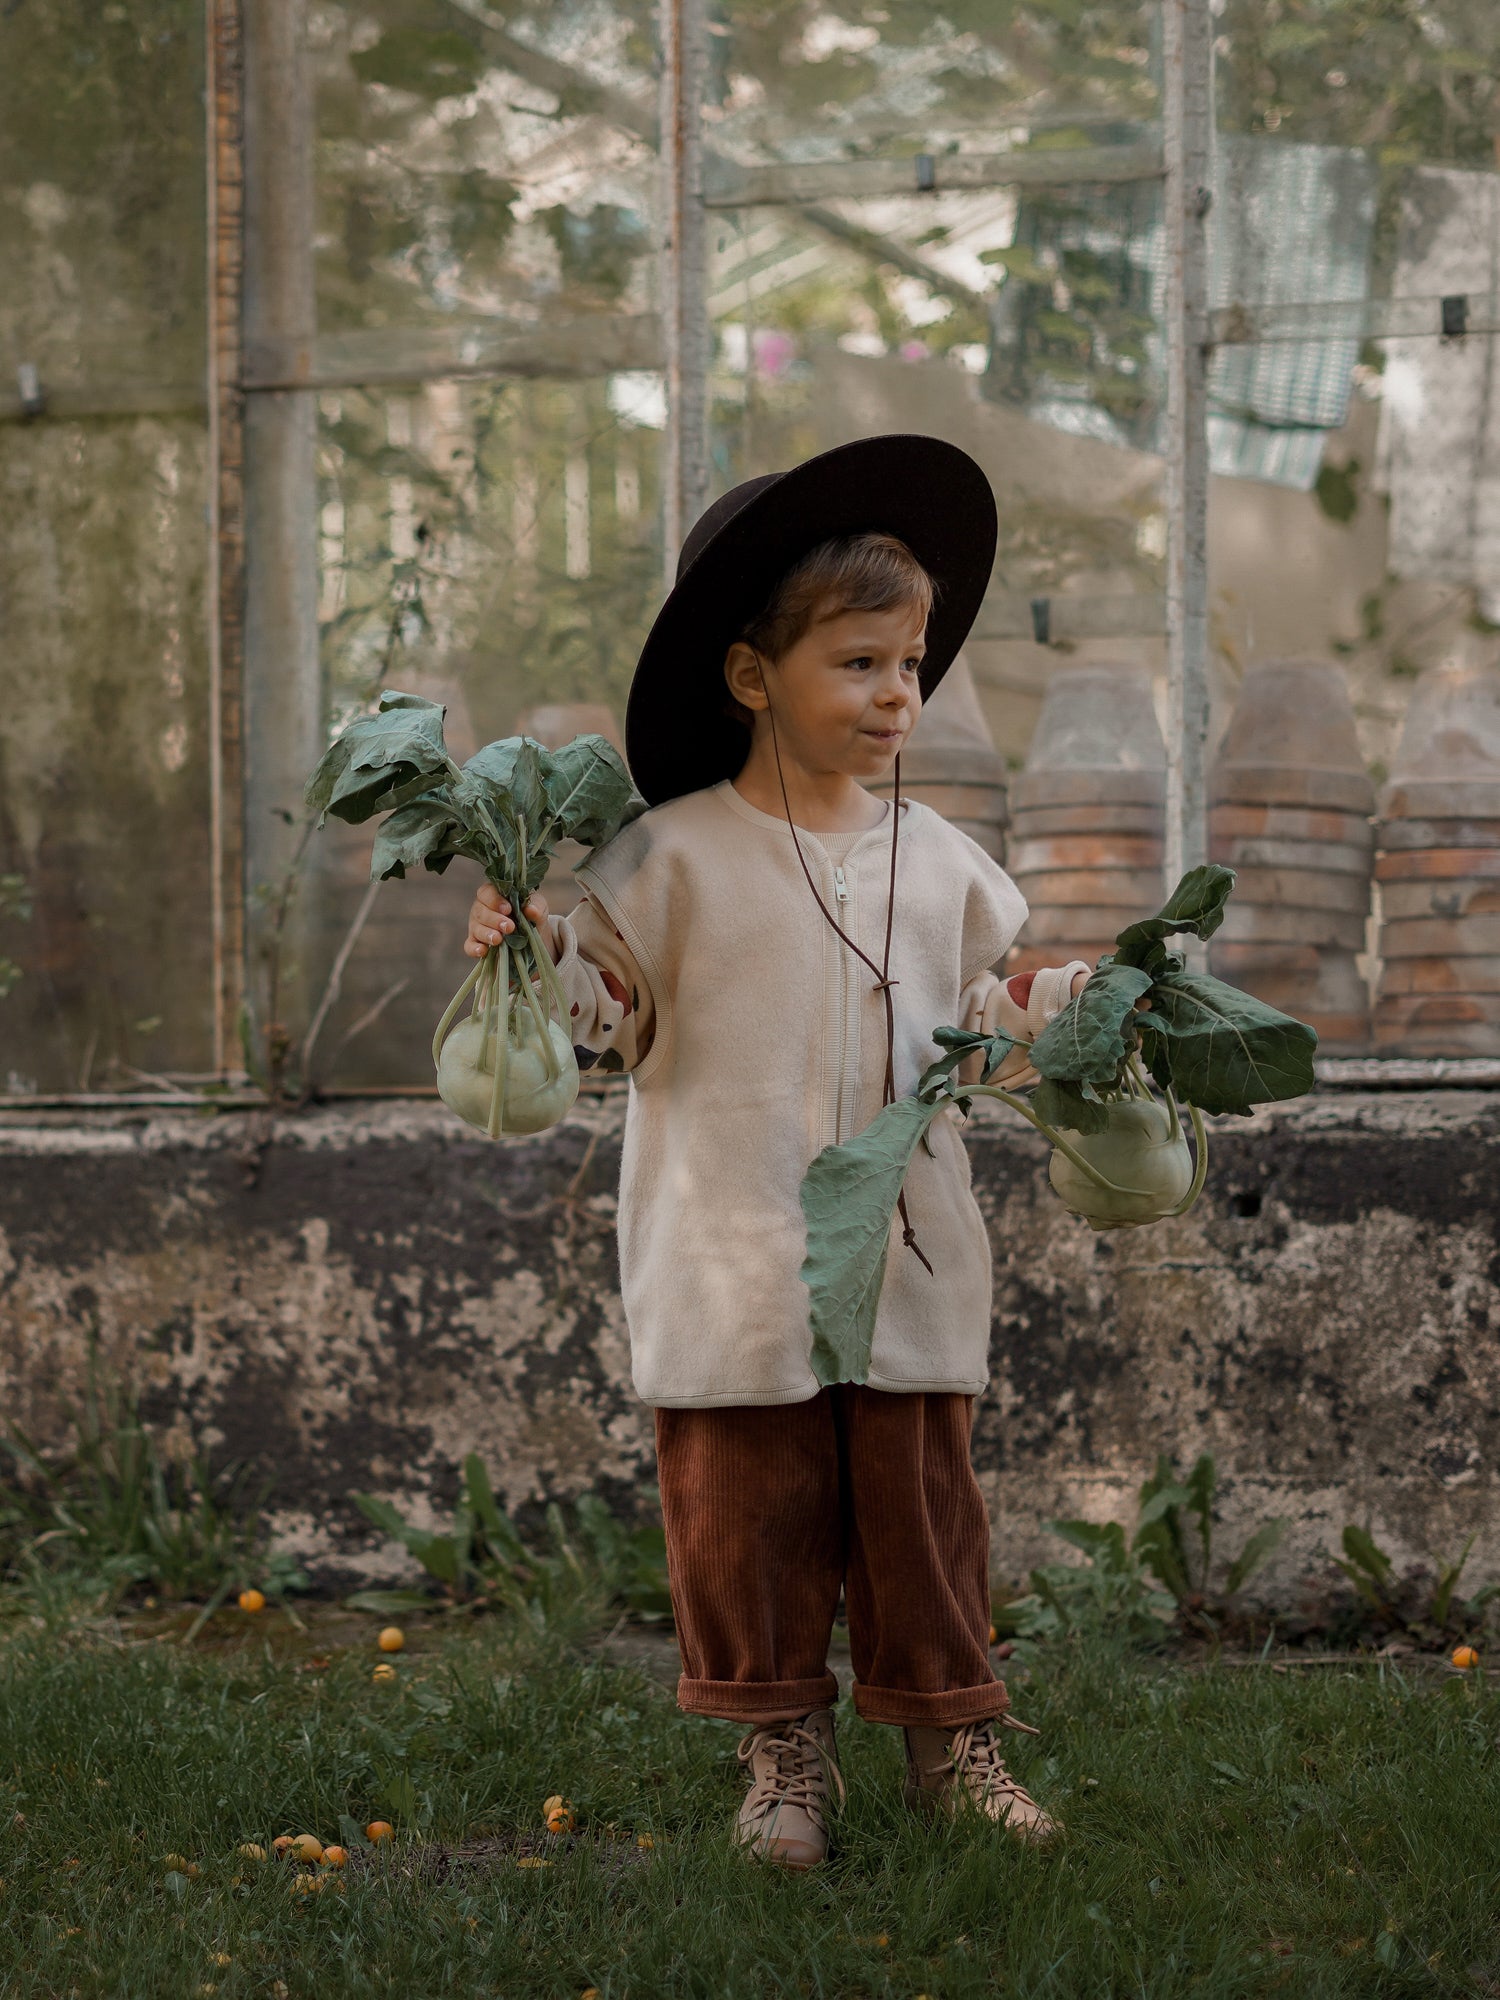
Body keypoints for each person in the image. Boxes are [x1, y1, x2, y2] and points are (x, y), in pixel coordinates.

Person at [463, 436, 1089, 1869]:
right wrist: (536, 956)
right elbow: (607, 1029)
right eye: (860, 664)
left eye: (912, 665)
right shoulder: (668, 861)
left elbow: (982, 1027)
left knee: (922, 1511)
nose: (898, 697)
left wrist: (1073, 1007)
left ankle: (951, 1743)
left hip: (905, 1256)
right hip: (727, 1250)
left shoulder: (940, 864)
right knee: (747, 1515)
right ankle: (783, 1755)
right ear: (755, 679)